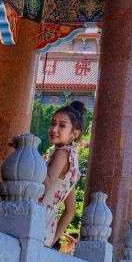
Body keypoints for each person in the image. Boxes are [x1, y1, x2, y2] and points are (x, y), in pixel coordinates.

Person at [39, 100, 85, 249]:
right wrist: (53, 239)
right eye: (53, 123)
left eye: (62, 125)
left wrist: (29, 153)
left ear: (75, 133)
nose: (54, 129)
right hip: (47, 226)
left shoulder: (62, 153)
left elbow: (45, 183)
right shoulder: (73, 160)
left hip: (36, 219)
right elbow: (70, 210)